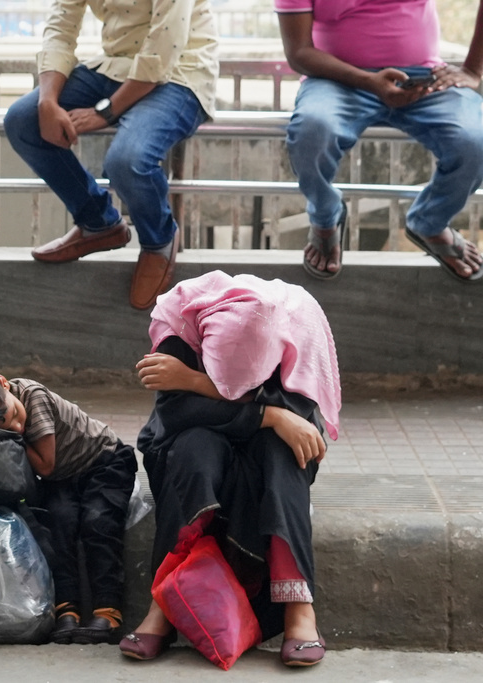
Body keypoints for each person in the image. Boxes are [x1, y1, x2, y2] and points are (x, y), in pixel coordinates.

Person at [120, 271, 340, 667]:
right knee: (195, 446)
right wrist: (265, 411)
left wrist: (198, 383)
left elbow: (300, 419)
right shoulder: (182, 326)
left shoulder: (296, 326)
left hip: (265, 453)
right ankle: (164, 603)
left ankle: (300, 608)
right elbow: (177, 412)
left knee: (283, 450)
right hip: (189, 443)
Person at [2, 0, 218, 310]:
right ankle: (98, 222)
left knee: (127, 159)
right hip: (115, 65)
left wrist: (106, 111)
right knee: (23, 120)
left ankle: (159, 241)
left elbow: (163, 47)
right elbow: (62, 25)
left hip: (181, 72)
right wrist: (47, 101)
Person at [0, 369, 138, 645]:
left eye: (13, 414)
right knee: (57, 526)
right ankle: (66, 609)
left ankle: (108, 610)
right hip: (64, 477)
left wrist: (0, 434)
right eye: (4, 426)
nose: (16, 427)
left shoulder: (33, 399)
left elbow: (45, 465)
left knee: (97, 522)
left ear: (4, 383)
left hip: (104, 462)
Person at [278, 0, 483, 282]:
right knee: (312, 132)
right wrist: (369, 81)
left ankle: (430, 221)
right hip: (335, 80)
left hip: (424, 76)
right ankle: (326, 218)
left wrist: (473, 68)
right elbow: (299, 53)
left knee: (474, 141)